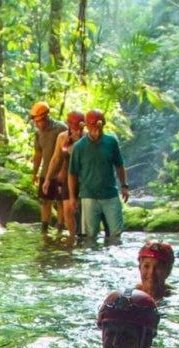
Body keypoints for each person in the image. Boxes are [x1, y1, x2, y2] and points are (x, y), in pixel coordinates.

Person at [66, 109, 130, 246]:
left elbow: (119, 165)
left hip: (110, 195)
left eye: (97, 124)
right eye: (91, 124)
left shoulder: (111, 142)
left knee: (116, 234)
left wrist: (124, 186)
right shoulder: (79, 147)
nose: (94, 128)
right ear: (86, 126)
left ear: (102, 124)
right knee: (89, 236)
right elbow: (72, 173)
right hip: (88, 196)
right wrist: (72, 197)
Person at [29, 101, 68, 234]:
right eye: (35, 121)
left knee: (61, 201)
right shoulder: (38, 133)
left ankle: (60, 229)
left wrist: (63, 170)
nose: (37, 124)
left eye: (39, 121)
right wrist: (35, 173)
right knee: (45, 201)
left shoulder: (61, 129)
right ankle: (44, 229)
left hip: (61, 172)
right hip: (46, 172)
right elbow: (38, 153)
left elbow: (67, 152)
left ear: (46, 117)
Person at [56, 110, 84, 238]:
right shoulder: (63, 137)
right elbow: (59, 157)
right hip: (68, 176)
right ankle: (72, 236)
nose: (72, 126)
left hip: (84, 177)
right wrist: (48, 178)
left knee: (81, 209)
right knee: (67, 209)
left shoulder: (88, 138)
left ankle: (83, 235)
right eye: (70, 123)